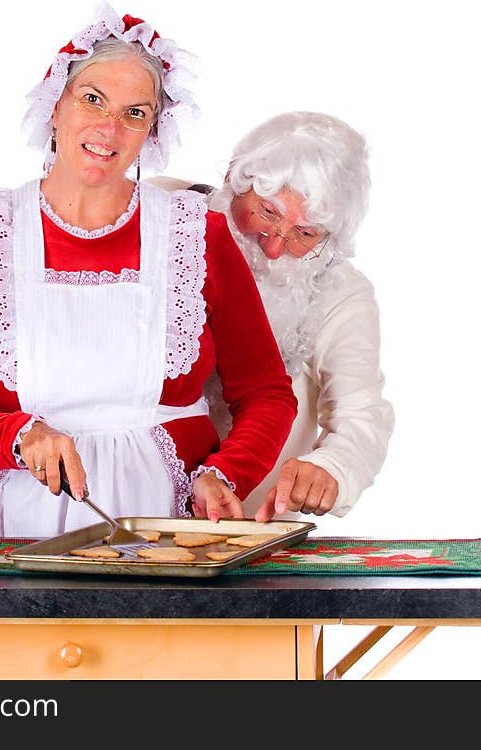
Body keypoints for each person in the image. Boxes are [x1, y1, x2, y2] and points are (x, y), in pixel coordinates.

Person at [0, 3, 297, 538]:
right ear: (55, 106)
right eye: (93, 100)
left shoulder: (197, 234)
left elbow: (267, 392)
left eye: (135, 113)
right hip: (17, 530)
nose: (110, 127)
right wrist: (19, 436)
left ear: (151, 132)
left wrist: (227, 473)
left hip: (172, 528)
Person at [150, 111, 394, 526]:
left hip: (245, 527)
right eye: (267, 213)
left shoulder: (341, 293)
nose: (275, 248)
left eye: (305, 234)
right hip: (127, 507)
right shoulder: (158, 215)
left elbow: (360, 414)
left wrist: (332, 467)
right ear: (234, 180)